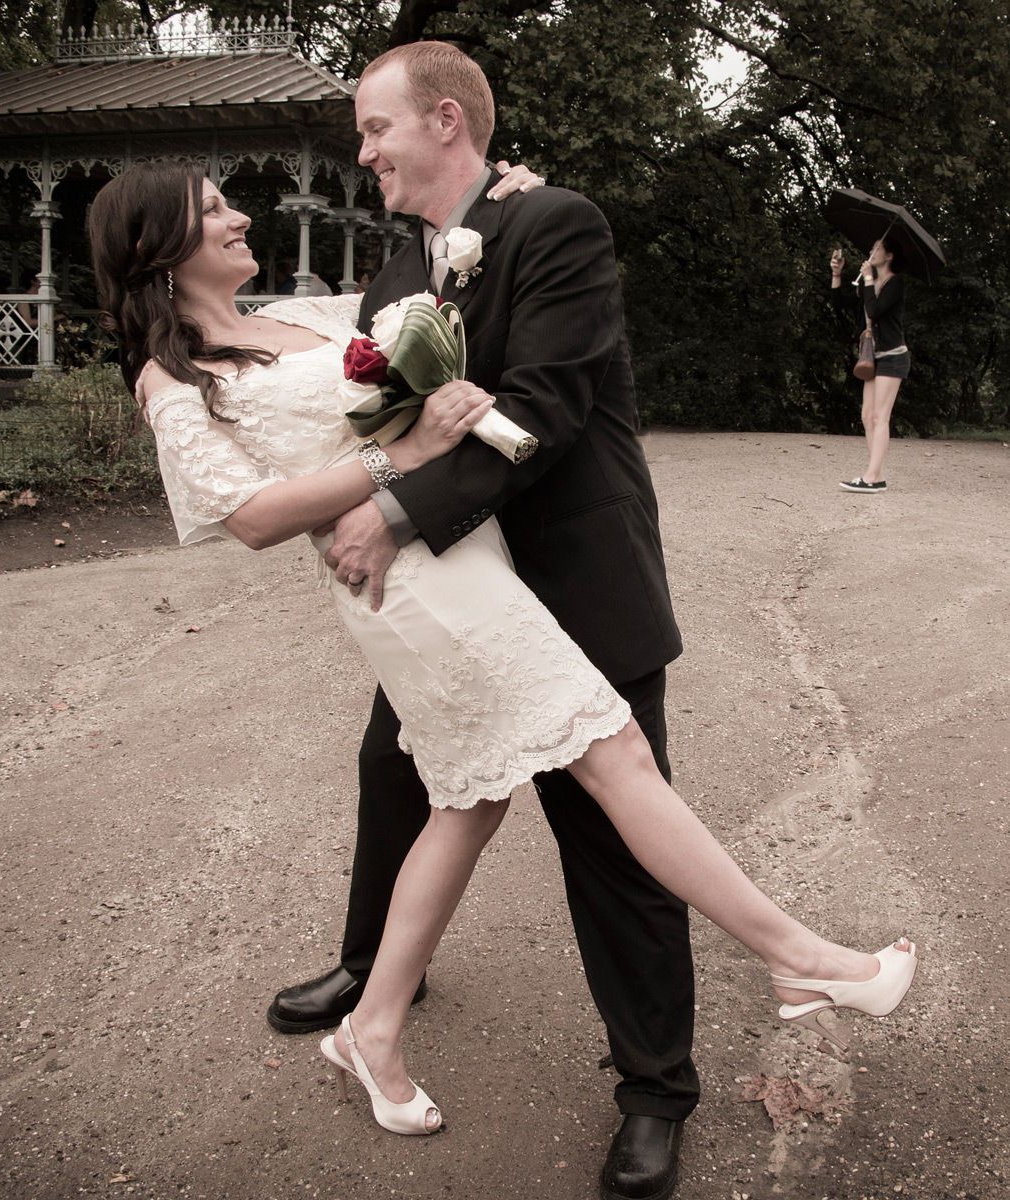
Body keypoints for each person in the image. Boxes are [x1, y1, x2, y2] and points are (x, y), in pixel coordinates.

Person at [88, 69, 917, 1200]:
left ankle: (618, 1076)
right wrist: (395, 475)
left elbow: (519, 388)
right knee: (472, 777)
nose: (356, 156)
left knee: (496, 802)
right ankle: (788, 960)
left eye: (374, 129)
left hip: (541, 563)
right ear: (159, 241)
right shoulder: (198, 363)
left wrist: (496, 211)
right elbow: (269, 499)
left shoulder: (384, 283)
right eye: (214, 204)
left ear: (441, 124)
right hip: (428, 584)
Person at [831, 238, 910, 492]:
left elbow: (874, 310)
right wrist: (837, 274)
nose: (871, 252)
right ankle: (877, 474)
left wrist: (867, 279)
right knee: (867, 416)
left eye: (876, 248)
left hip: (893, 357)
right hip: (874, 358)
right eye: (871, 247)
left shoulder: (895, 282)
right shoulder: (869, 283)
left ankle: (872, 477)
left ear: (888, 255)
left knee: (880, 416)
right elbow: (840, 304)